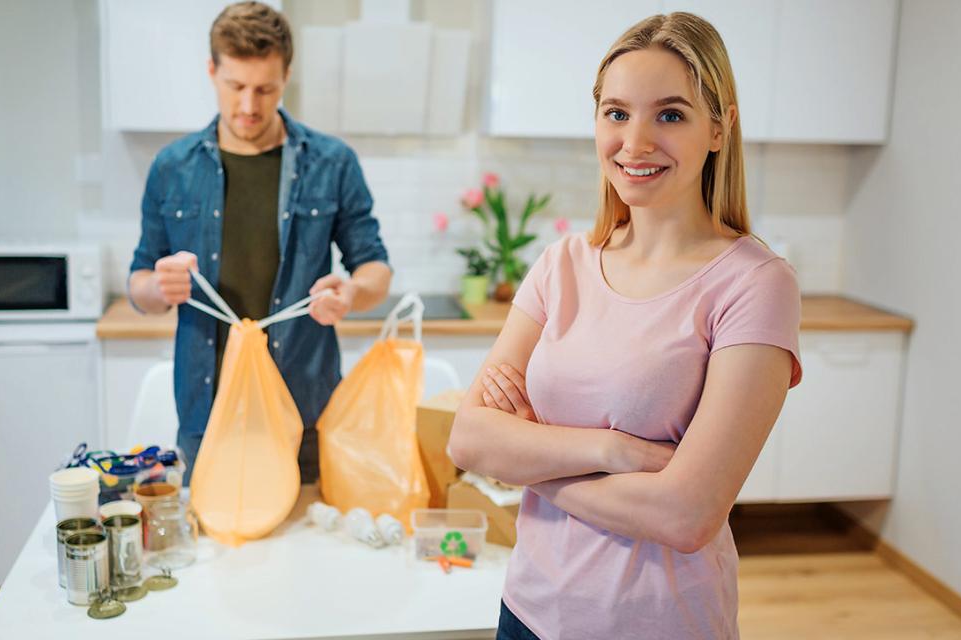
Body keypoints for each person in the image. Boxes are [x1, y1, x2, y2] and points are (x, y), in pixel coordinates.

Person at [448, 12, 802, 640]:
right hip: (528, 611)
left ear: (719, 127)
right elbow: (469, 440)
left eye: (669, 114)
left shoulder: (755, 284)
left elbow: (688, 514)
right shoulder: (564, 265)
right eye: (616, 113)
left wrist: (529, 459)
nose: (634, 142)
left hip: (658, 624)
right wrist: (611, 452)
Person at [128, 2, 391, 484]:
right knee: (213, 551)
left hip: (305, 412)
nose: (249, 106)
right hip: (207, 417)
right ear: (212, 71)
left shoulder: (332, 162)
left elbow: (375, 268)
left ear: (286, 76)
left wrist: (352, 294)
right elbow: (140, 284)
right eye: (236, 87)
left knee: (310, 548)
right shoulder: (172, 167)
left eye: (265, 89)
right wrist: (159, 287)